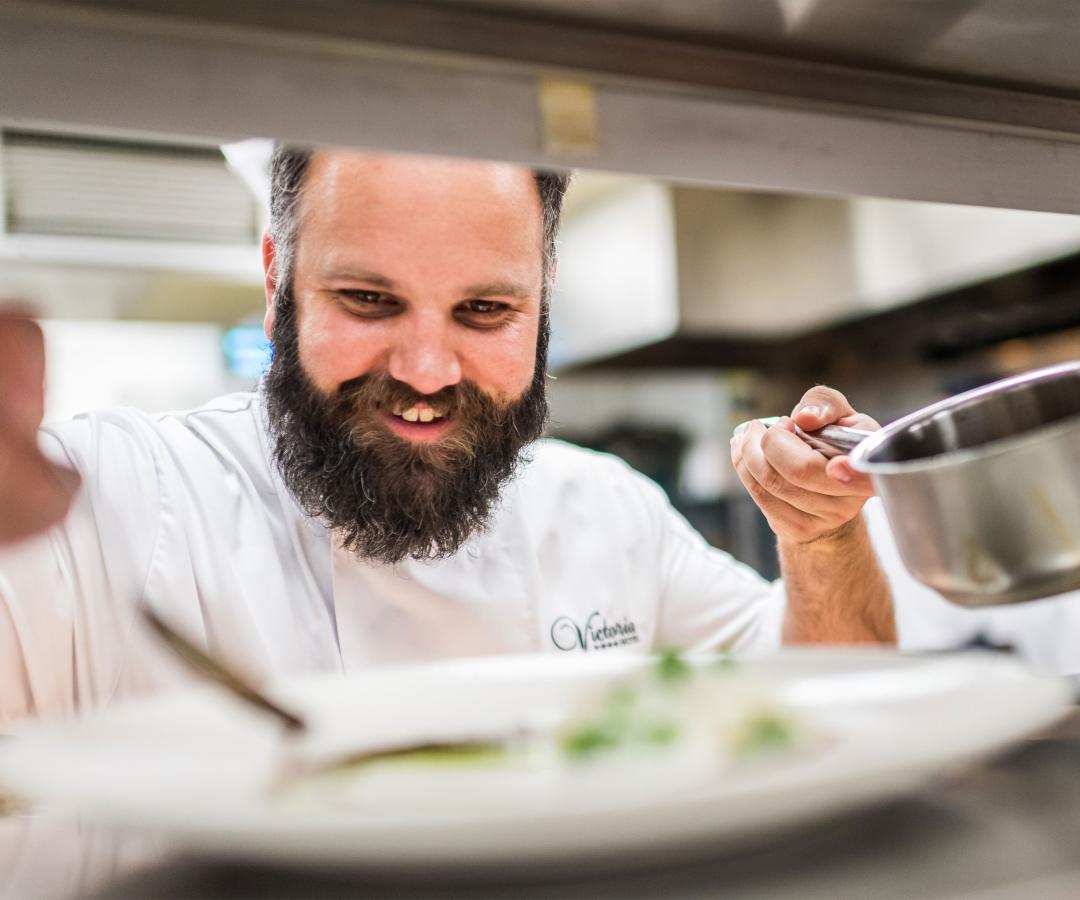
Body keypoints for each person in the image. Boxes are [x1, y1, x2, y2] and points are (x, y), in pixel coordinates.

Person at [0, 147, 894, 723]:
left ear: (543, 300)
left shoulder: (606, 512)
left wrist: (821, 538)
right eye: (368, 300)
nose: (428, 369)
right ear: (278, 281)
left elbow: (832, 708)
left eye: (484, 310)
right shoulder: (112, 503)